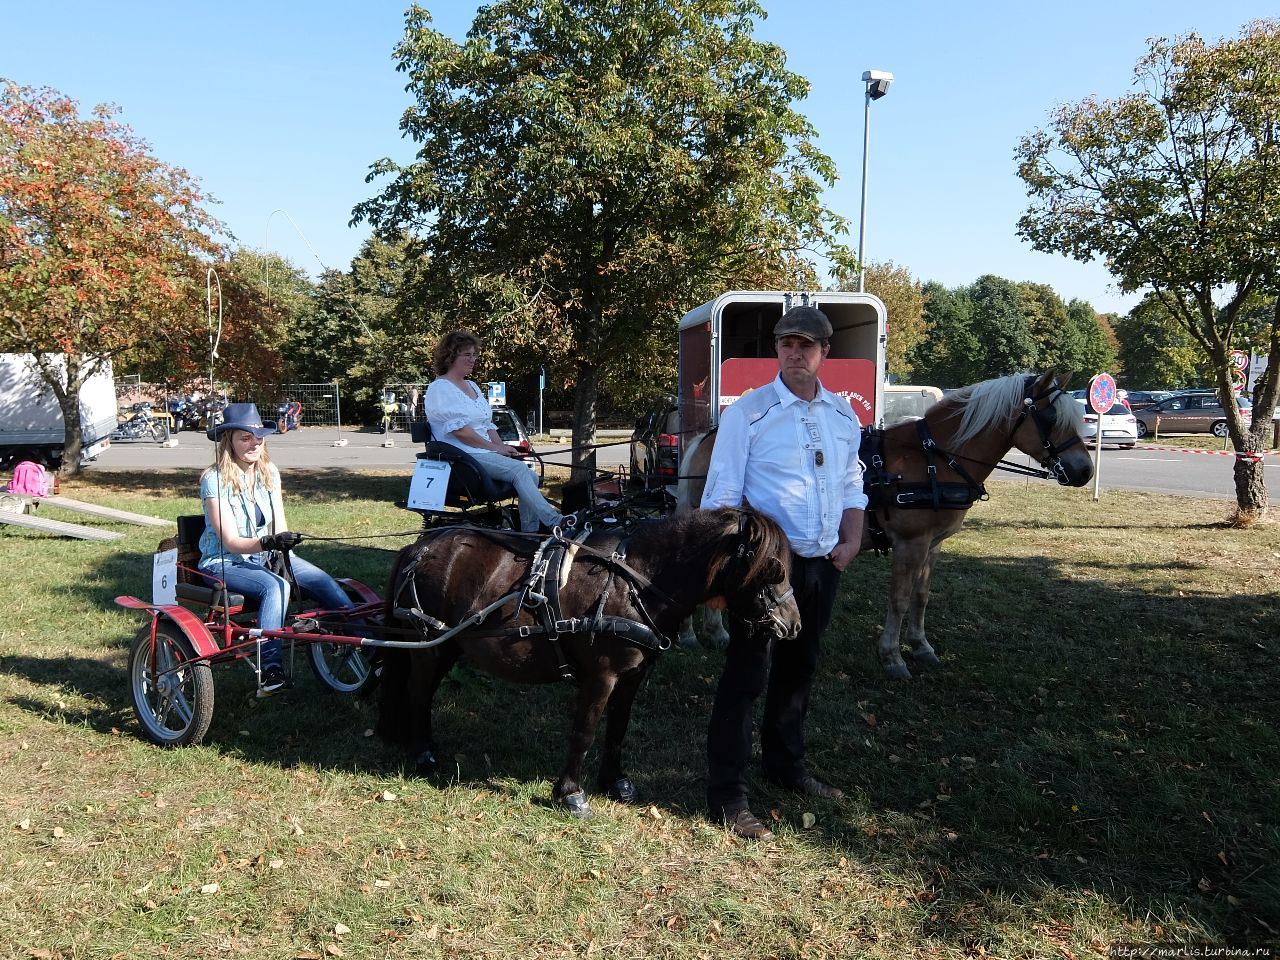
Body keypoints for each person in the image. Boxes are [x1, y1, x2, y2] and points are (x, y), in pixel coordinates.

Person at [700, 305, 867, 840]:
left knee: (800, 667)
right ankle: (728, 795)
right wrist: (724, 574)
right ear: (776, 349)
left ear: (825, 352)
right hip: (764, 569)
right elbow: (722, 499)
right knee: (747, 675)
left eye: (806, 345)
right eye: (786, 344)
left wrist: (852, 539)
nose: (795, 354)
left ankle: (786, 765)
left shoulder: (842, 414)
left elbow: (851, 483)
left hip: (823, 564)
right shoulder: (748, 414)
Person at [198, 403, 355, 695]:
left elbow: (279, 525)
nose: (254, 443)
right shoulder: (213, 479)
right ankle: (270, 671)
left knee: (324, 582)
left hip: (268, 555)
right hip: (225, 562)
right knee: (277, 587)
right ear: (228, 440)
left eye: (258, 437)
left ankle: (372, 650)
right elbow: (231, 541)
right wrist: (268, 543)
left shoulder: (268, 472)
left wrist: (283, 547)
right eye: (245, 438)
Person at [424, 330, 564, 533]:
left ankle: (530, 533)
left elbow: (487, 425)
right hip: (462, 456)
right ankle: (555, 521)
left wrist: (502, 447)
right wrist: (495, 448)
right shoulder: (440, 388)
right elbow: (461, 432)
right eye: (467, 355)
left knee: (531, 476)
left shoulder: (472, 386)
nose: (473, 359)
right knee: (520, 471)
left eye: (474, 355)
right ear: (450, 356)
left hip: (482, 452)